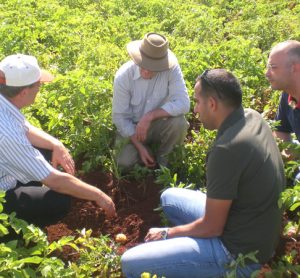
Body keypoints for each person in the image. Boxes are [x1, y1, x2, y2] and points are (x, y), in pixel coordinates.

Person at [121, 69, 285, 277]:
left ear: (213, 104)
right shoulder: (252, 117)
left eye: (198, 102)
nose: (196, 110)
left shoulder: (226, 150)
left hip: (239, 254)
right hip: (257, 229)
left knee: (130, 264)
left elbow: (212, 227)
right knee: (169, 198)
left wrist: (167, 233)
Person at [0, 54, 116, 227]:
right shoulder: (7, 134)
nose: (39, 89)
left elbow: (23, 127)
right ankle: (15, 232)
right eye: (38, 86)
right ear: (24, 92)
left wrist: (56, 144)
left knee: (46, 150)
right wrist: (99, 195)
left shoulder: (5, 102)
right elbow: (55, 181)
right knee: (59, 200)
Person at [112, 32, 190, 170]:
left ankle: (164, 164)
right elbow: (120, 118)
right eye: (143, 65)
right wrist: (140, 146)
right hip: (132, 129)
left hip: (158, 125)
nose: (146, 71)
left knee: (179, 123)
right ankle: (145, 153)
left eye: (153, 67)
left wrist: (150, 116)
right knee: (123, 163)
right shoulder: (123, 76)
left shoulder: (171, 69)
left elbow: (183, 102)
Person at [265, 40, 300, 180]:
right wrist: (290, 156)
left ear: (294, 67)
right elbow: (281, 130)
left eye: (273, 67)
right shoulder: (287, 94)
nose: (267, 74)